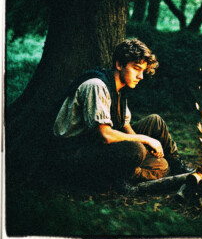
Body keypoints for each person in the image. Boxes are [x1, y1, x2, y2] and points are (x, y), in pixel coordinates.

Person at [53, 39, 194, 193]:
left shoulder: (120, 89)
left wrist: (147, 153)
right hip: (75, 152)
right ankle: (118, 178)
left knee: (157, 134)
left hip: (100, 147)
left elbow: (125, 126)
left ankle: (175, 166)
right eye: (136, 68)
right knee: (136, 149)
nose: (141, 76)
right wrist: (146, 140)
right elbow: (105, 135)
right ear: (119, 65)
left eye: (143, 71)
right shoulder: (97, 85)